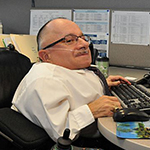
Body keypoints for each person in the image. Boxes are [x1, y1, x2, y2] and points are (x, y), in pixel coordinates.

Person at [11, 18, 130, 149]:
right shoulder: (45, 80)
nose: (84, 44)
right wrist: (91, 110)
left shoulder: (68, 68)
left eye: (82, 37)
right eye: (69, 40)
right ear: (46, 56)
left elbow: (75, 89)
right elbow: (62, 133)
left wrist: (102, 83)